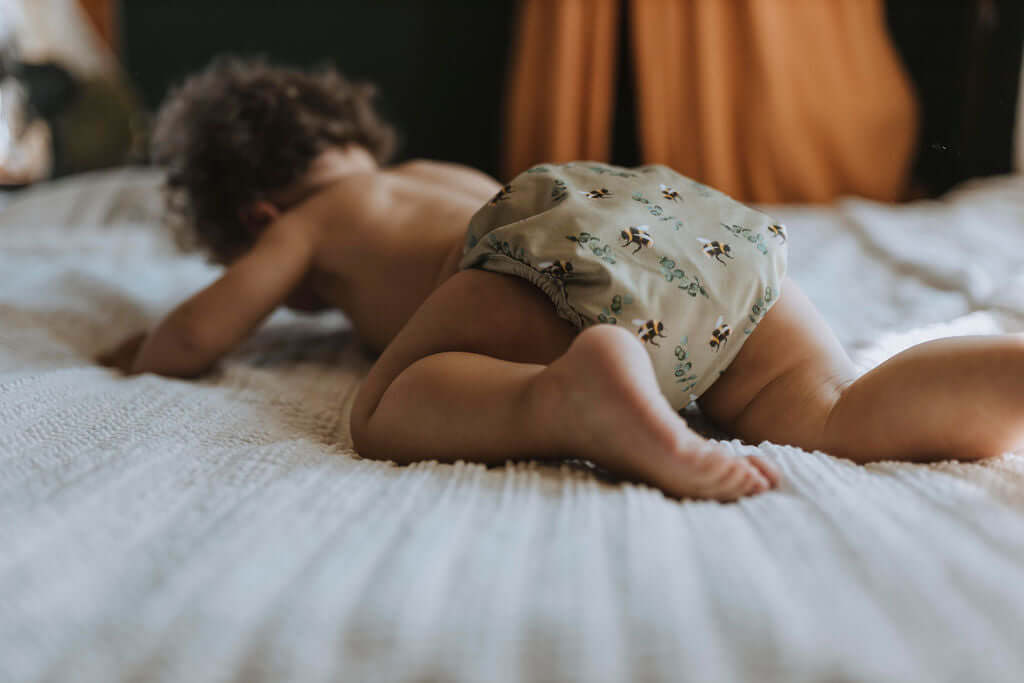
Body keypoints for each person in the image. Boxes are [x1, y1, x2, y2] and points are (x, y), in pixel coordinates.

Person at [101, 58, 1024, 502]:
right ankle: (1003, 374)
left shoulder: (310, 219)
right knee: (830, 408)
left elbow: (198, 336)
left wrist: (139, 346)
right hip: (690, 231)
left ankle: (567, 393)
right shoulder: (426, 175)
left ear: (254, 215)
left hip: (541, 263)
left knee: (383, 407)